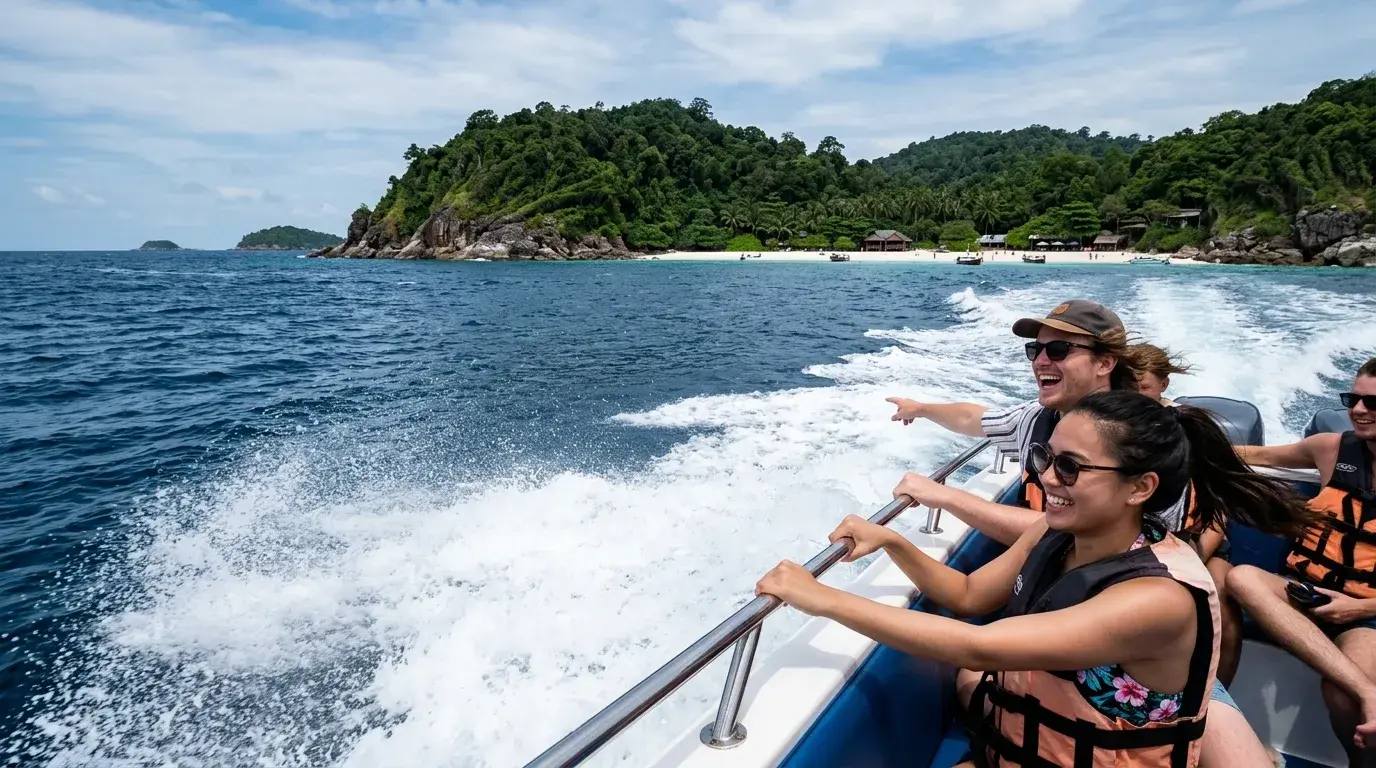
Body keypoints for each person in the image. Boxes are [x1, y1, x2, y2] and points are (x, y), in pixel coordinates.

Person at [758, 391, 1311, 767]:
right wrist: (894, 542)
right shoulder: (1055, 531)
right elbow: (969, 595)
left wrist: (821, 598)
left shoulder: (1156, 598)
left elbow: (977, 644)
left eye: (1071, 467)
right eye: (1046, 457)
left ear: (1139, 488)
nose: (1046, 477)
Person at [887, 300, 1179, 545]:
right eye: (1035, 349)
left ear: (1104, 363)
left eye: (1058, 350)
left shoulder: (1145, 437)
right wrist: (921, 408)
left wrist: (946, 497)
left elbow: (1101, 537)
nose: (1040, 361)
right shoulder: (1036, 419)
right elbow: (973, 418)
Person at [1227, 357, 1376, 766]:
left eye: (1373, 403)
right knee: (1242, 578)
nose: (1359, 411)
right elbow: (1255, 455)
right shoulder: (1332, 449)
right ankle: (1368, 690)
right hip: (1305, 592)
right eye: (1353, 400)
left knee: (1342, 695)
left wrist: (1360, 608)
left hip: (1366, 612)